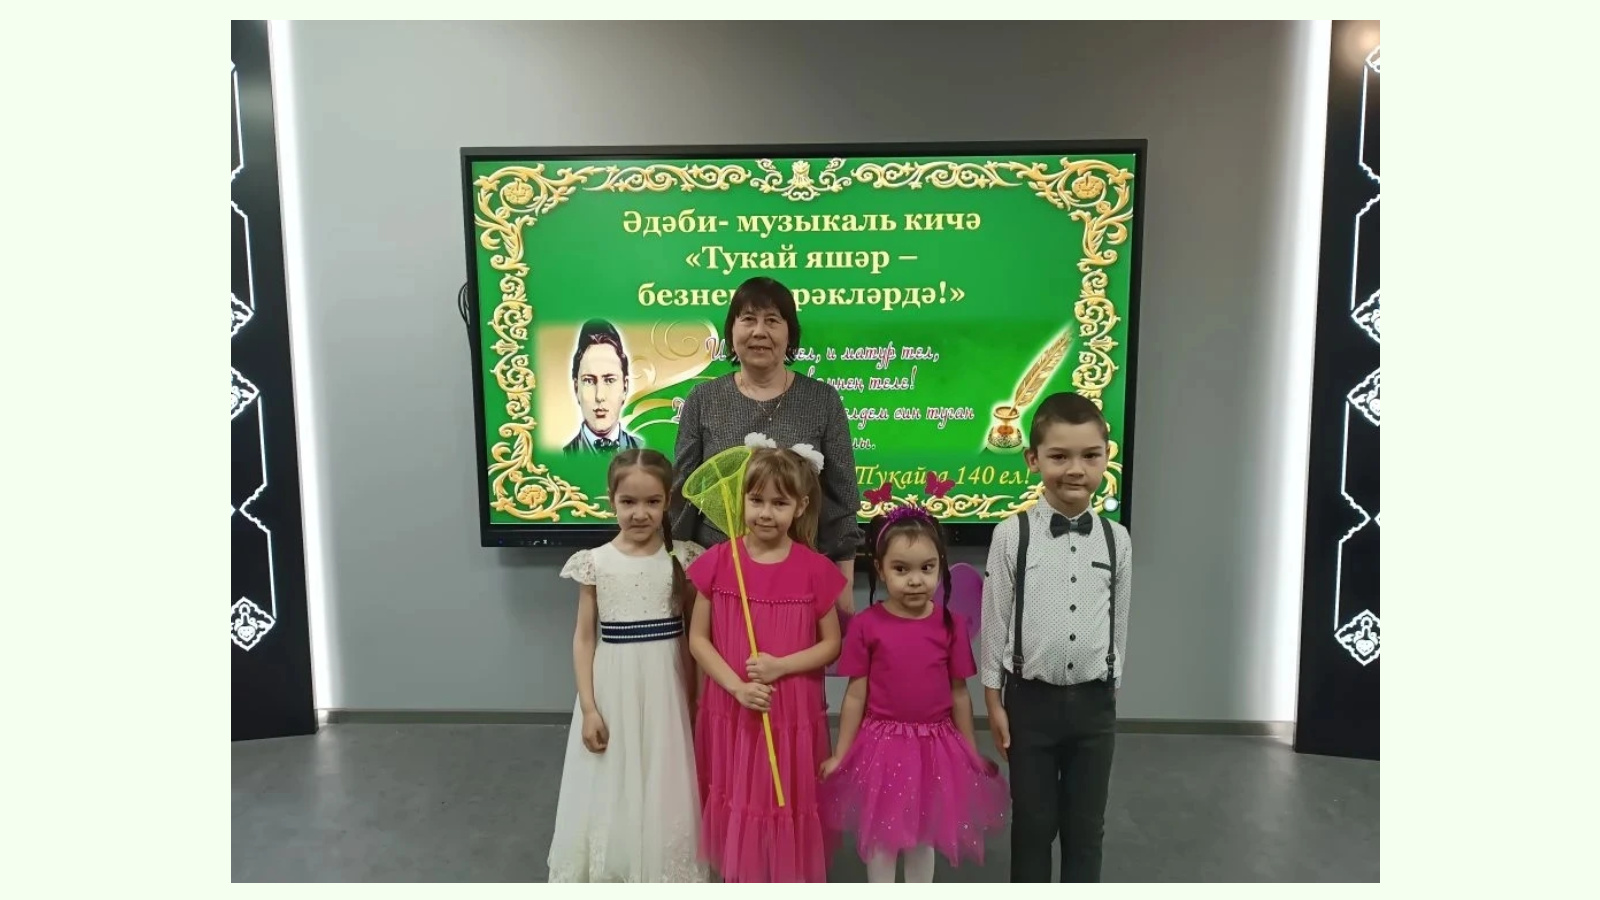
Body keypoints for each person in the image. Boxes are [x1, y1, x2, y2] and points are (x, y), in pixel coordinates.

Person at [979, 392, 1133, 883]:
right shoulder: (1012, 534)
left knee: (1086, 828)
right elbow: (995, 619)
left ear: (1106, 458)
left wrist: (1111, 686)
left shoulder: (1117, 539)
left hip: (1093, 706)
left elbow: (1118, 620)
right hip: (1031, 704)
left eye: (1090, 455)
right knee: (1033, 824)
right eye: (1059, 456)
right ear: (1033, 459)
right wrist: (994, 701)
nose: (1075, 469)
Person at [818, 506, 1008, 882]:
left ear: (940, 567)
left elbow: (959, 694)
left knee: (924, 833)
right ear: (880, 569)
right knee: (881, 834)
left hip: (935, 747)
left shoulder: (951, 625)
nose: (916, 580)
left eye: (927, 568)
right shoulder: (866, 625)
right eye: (901, 569)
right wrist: (841, 753)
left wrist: (970, 751)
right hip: (882, 745)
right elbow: (855, 695)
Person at [686, 443, 844, 882]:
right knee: (739, 792)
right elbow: (698, 640)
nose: (766, 513)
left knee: (784, 795)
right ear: (742, 501)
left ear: (801, 506)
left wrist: (781, 666)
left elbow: (832, 644)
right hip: (733, 704)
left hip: (790, 706)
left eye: (780, 503)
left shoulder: (815, 569)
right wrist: (737, 687)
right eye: (756, 500)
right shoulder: (719, 561)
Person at [546, 449, 706, 882]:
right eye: (628, 502)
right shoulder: (595, 563)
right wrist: (589, 707)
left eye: (652, 502)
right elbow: (584, 637)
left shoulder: (683, 558)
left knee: (664, 774)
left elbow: (696, 638)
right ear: (610, 500)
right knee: (613, 775)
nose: (640, 513)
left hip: (667, 688)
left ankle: (661, 868)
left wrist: (697, 698)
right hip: (613, 689)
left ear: (668, 501)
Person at [671, 277, 861, 614]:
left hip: (798, 580)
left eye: (772, 320)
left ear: (790, 334)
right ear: (731, 330)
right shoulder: (703, 399)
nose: (759, 331)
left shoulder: (823, 400)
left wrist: (844, 582)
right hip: (720, 579)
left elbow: (841, 497)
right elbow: (684, 494)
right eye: (748, 319)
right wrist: (683, 575)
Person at [565, 319, 643, 454]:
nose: (599, 396)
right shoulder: (561, 457)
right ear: (576, 388)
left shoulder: (645, 450)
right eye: (589, 381)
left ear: (625, 387)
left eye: (609, 380)